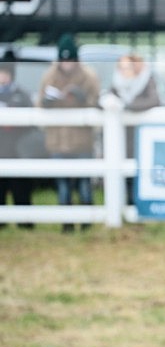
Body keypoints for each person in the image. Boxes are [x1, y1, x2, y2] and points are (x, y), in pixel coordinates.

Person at [38, 34, 101, 233]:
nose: (67, 64)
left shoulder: (89, 76)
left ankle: (86, 221)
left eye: (70, 60)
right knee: (63, 183)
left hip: (82, 140)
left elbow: (96, 103)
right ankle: (67, 222)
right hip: (58, 139)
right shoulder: (49, 76)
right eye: (64, 60)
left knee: (84, 182)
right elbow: (40, 102)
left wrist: (83, 99)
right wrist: (46, 102)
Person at [109, 54, 160, 203]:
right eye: (122, 67)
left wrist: (127, 107)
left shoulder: (146, 80)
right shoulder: (117, 83)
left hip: (141, 136)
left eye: (128, 67)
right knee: (125, 175)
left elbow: (154, 100)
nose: (125, 71)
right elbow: (106, 98)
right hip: (123, 138)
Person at [0, 50, 35, 229]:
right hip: (0, 147)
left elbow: (31, 121)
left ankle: (25, 221)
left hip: (17, 148)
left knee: (20, 186)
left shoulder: (22, 94)